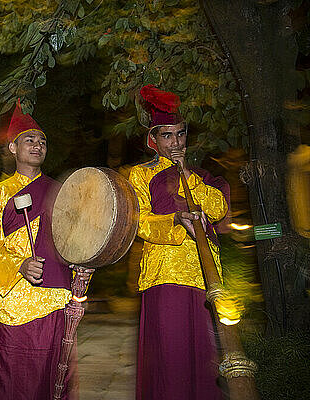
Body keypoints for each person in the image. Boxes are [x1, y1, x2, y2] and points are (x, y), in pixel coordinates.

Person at [128, 85, 230, 400]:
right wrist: (174, 220)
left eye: (180, 134)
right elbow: (140, 221)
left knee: (206, 357)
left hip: (204, 274)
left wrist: (186, 173)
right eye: (168, 136)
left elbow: (217, 209)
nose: (176, 142)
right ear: (153, 141)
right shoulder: (140, 176)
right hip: (163, 273)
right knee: (170, 358)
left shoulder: (202, 175)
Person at [0, 102, 80, 400]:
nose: (37, 145)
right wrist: (19, 266)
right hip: (14, 304)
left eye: (42, 141)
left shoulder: (60, 191)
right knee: (12, 383)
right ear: (13, 147)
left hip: (56, 301)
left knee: (54, 382)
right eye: (29, 140)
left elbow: (75, 242)